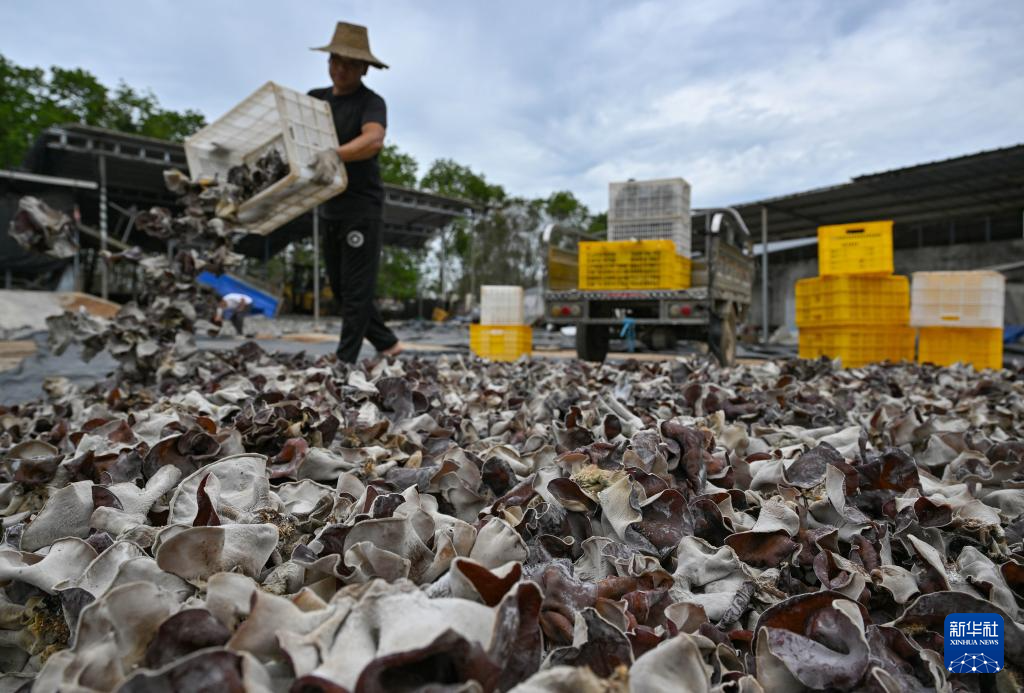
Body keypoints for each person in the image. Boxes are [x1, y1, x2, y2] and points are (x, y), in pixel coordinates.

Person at [308, 21, 402, 363]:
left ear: (364, 68)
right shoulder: (315, 100)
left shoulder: (371, 102)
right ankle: (388, 343)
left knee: (357, 287)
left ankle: (344, 360)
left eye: (349, 63)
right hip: (328, 205)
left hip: (361, 207)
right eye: (335, 60)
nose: (340, 69)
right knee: (342, 286)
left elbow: (373, 140)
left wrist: (335, 154)